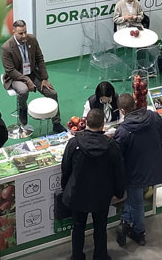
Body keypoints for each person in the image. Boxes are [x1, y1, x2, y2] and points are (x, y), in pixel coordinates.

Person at [62, 108, 125, 260]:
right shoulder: (112, 146)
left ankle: (77, 256)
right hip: (101, 195)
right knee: (100, 227)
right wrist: (119, 192)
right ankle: (100, 256)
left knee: (78, 227)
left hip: (78, 193)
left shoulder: (74, 143)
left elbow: (66, 168)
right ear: (103, 125)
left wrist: (66, 188)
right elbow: (119, 172)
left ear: (86, 123)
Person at [114, 94, 162, 247]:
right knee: (135, 198)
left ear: (123, 110)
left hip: (135, 172)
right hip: (155, 167)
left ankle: (139, 233)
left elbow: (117, 154)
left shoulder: (123, 130)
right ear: (135, 104)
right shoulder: (153, 116)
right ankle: (125, 221)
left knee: (137, 201)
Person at [1, 20, 64, 133]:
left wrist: (44, 78)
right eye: (21, 33)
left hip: (33, 73)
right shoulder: (6, 47)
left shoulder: (32, 39)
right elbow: (10, 70)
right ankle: (22, 108)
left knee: (52, 93)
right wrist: (27, 80)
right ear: (13, 31)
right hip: (16, 76)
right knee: (23, 90)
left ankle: (56, 123)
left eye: (25, 32)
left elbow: (39, 58)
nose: (24, 35)